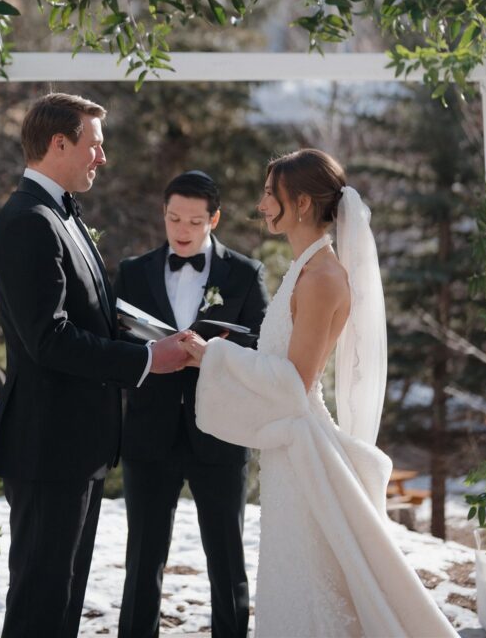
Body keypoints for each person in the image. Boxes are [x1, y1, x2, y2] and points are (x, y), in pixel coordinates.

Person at [183, 149, 458, 638]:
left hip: (303, 449)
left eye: (272, 193)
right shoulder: (303, 269)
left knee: (308, 578)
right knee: (291, 574)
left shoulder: (324, 278)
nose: (262, 203)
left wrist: (213, 357)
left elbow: (293, 383)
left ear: (303, 202)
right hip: (288, 450)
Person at [0, 93, 190, 638]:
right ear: (60, 144)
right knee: (40, 604)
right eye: (95, 145)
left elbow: (88, 312)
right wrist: (148, 360)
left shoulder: (61, 213)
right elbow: (48, 340)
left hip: (77, 446)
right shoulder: (29, 221)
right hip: (49, 446)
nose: (103, 157)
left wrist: (153, 333)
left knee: (63, 600)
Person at [115, 170, 269, 638]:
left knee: (226, 561)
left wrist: (214, 356)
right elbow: (113, 342)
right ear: (163, 214)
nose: (182, 230)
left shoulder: (244, 274)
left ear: (214, 219)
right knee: (142, 560)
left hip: (220, 435)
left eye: (194, 221)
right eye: (173, 218)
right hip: (148, 435)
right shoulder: (133, 271)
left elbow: (264, 347)